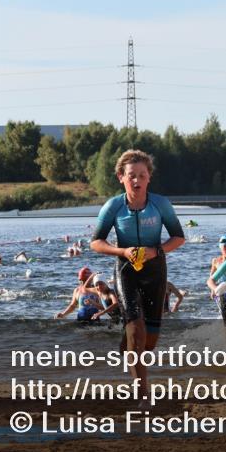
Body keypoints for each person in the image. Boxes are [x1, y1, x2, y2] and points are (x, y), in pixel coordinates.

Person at [90, 149, 185, 406]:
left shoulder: (160, 204)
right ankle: (143, 395)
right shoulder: (114, 206)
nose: (137, 180)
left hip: (156, 269)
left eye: (142, 175)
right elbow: (96, 242)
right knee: (136, 330)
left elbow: (179, 237)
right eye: (131, 175)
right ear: (121, 177)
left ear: (149, 178)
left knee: (148, 342)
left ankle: (128, 346)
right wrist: (122, 250)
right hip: (126, 270)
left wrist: (158, 250)